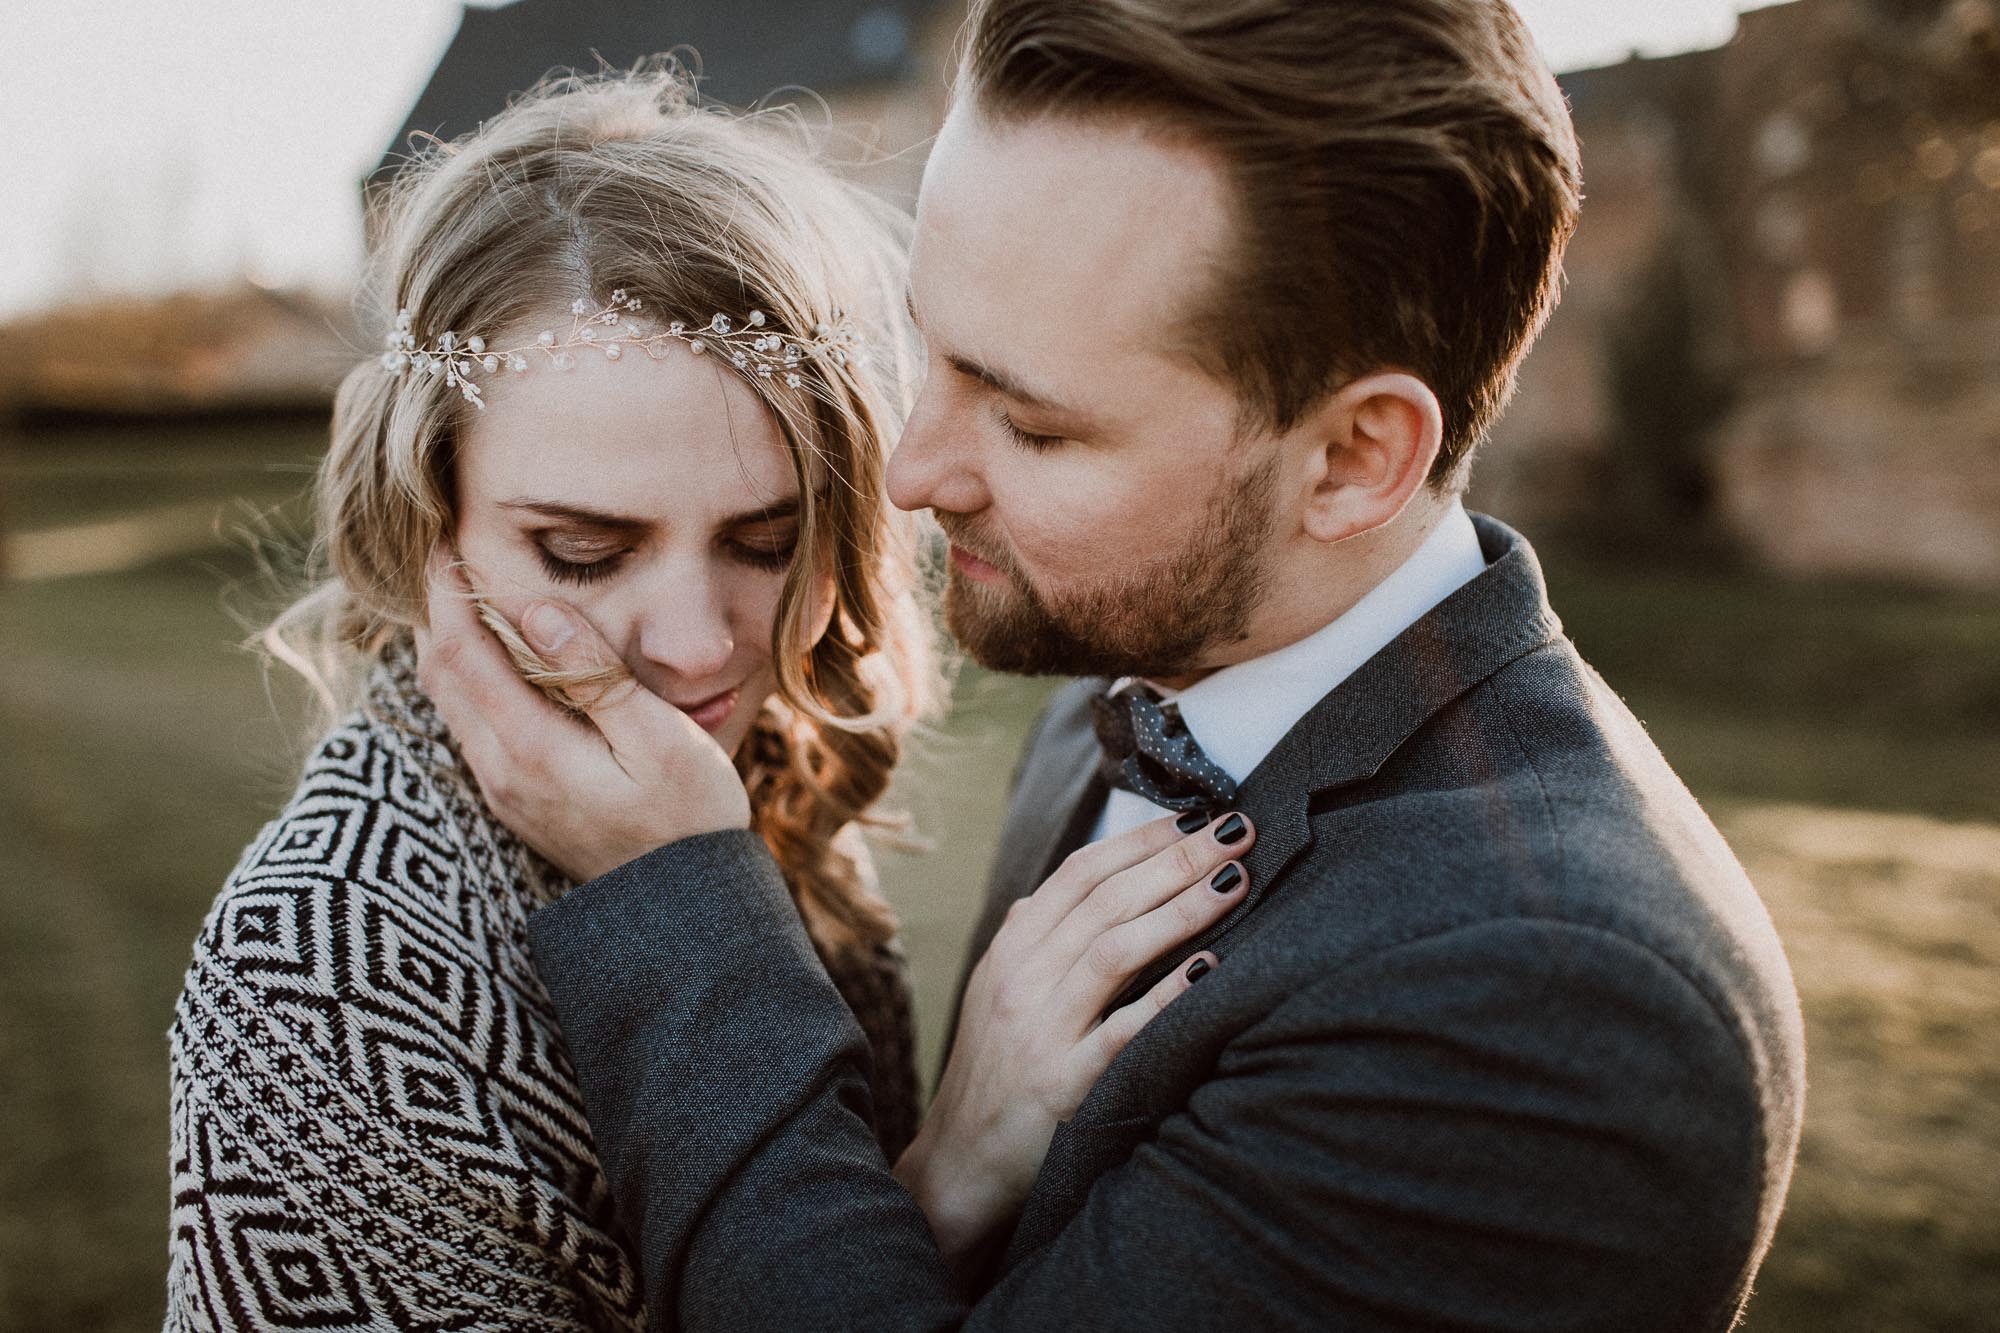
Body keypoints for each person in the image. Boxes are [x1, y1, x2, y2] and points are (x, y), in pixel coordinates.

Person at [419, 1, 1810, 1328]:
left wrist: (678, 905)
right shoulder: (1132, 678)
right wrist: (950, 1176)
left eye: (1034, 428)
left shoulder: (1542, 1012)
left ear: (1350, 458)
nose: (910, 473)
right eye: (932, 351)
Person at [167, 71, 1235, 1331]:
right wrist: (944, 1182)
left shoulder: (770, 782)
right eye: (582, 551)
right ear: (429, 519)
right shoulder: (321, 983)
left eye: (766, 540)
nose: (692, 649)